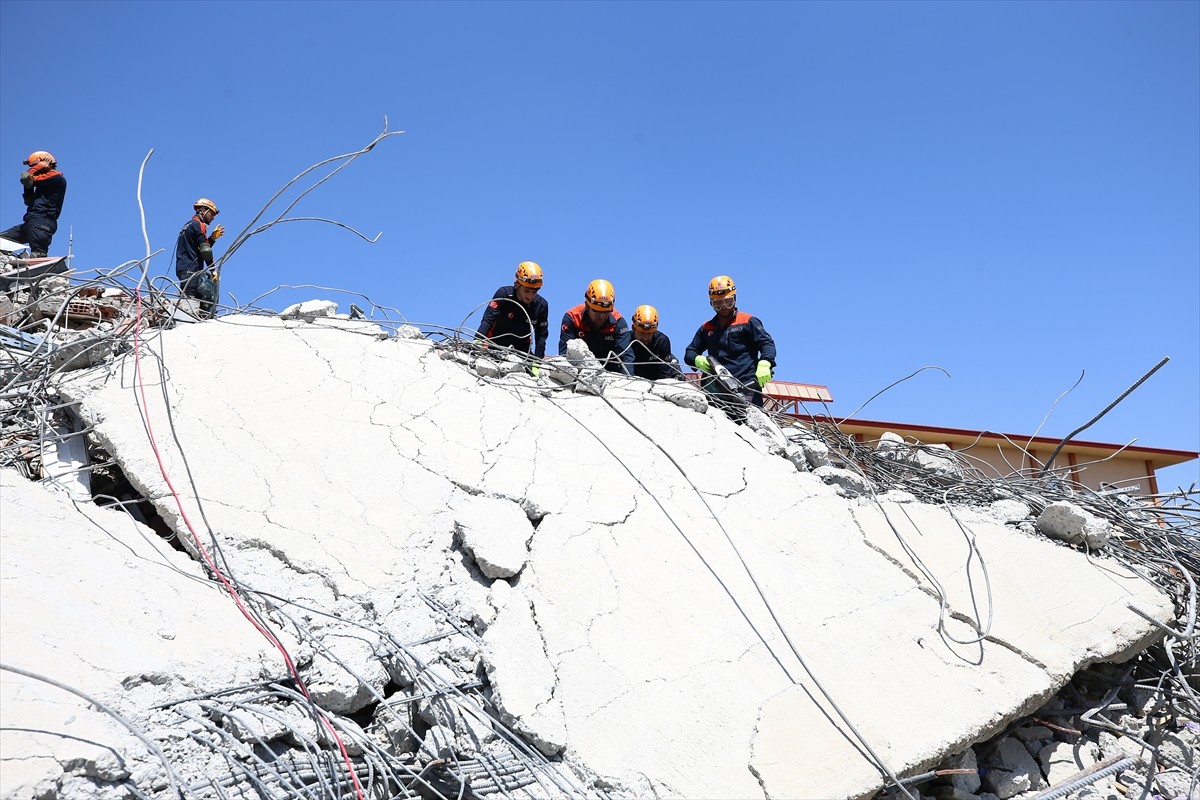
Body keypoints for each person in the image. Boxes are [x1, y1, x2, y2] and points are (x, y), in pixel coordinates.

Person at [684, 275, 777, 409]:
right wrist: (698, 360)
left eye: (728, 302)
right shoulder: (707, 328)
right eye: (717, 303)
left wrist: (765, 362)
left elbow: (767, 344)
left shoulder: (748, 321)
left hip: (747, 388)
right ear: (711, 303)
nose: (723, 307)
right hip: (716, 392)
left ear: (735, 298)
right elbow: (689, 353)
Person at [476, 261, 550, 365]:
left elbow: (541, 336)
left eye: (534, 292)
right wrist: (477, 341)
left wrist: (537, 362)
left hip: (521, 350)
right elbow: (488, 320)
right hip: (494, 344)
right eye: (526, 291)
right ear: (516, 285)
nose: (530, 296)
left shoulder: (541, 306)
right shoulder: (504, 294)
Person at [558, 279, 634, 375]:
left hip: (610, 374)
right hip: (579, 372)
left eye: (606, 312)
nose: (602, 316)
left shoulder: (618, 322)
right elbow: (565, 353)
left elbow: (626, 356)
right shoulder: (572, 318)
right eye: (597, 312)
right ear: (587, 305)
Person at [1, 151, 67, 258]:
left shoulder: (56, 178)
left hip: (41, 223)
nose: (34, 168)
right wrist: (28, 186)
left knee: (38, 257)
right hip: (31, 223)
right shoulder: (44, 183)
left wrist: (39, 166)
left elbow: (25, 177)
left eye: (35, 166)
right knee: (2, 241)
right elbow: (28, 199)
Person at [174, 198, 225, 319]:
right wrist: (213, 270)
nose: (213, 218)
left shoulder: (188, 225)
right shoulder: (199, 225)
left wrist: (212, 239)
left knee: (190, 297)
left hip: (183, 268)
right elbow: (205, 251)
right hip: (191, 269)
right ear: (203, 210)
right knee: (193, 301)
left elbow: (197, 248)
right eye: (212, 214)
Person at [630, 304, 682, 381]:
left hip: (656, 378)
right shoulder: (625, 341)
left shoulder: (662, 341)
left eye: (649, 334)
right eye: (642, 333)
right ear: (633, 328)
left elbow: (665, 376)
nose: (645, 338)